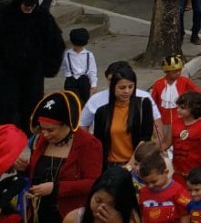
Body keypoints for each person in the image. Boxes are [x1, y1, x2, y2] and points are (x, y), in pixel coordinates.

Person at [25, 91, 102, 223]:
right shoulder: (42, 140)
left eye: (50, 130)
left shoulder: (88, 144)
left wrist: (55, 188)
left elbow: (92, 182)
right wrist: (23, 167)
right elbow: (35, 172)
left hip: (67, 215)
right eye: (42, 129)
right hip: (38, 212)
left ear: (67, 124)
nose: (45, 134)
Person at [0, 0, 66, 131]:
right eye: (26, 6)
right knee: (7, 105)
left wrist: (49, 67)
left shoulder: (42, 17)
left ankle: (30, 132)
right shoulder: (5, 15)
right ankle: (7, 134)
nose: (29, 9)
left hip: (33, 72)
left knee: (32, 105)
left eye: (32, 6)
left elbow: (56, 44)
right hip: (8, 71)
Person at [91, 67, 154, 168]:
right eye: (122, 88)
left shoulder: (143, 104)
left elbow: (146, 137)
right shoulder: (102, 112)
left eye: (131, 87)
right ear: (113, 87)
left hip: (137, 164)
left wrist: (130, 165)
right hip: (111, 165)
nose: (127, 91)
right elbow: (99, 143)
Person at [62, 167, 142, 223]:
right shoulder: (74, 219)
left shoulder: (133, 219)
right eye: (98, 200)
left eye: (111, 205)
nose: (101, 208)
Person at [63, 28, 99, 103]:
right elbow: (64, 66)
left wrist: (93, 83)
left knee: (84, 100)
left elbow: (92, 70)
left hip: (84, 80)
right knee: (71, 100)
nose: (78, 47)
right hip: (71, 80)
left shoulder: (89, 55)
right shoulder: (67, 54)